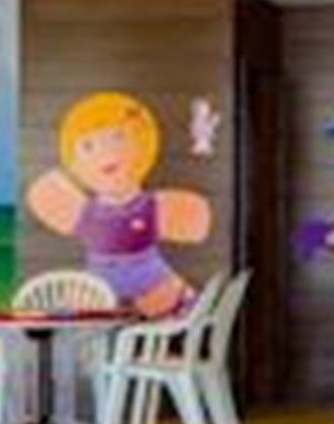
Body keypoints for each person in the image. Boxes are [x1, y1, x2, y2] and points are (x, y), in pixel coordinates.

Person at [24, 92, 213, 316]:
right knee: (70, 312)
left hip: (151, 284)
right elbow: (49, 200)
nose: (106, 152)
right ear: (73, 163)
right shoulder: (82, 210)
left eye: (118, 138)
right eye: (88, 146)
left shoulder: (153, 206)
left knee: (170, 300)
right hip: (99, 290)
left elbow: (194, 221)